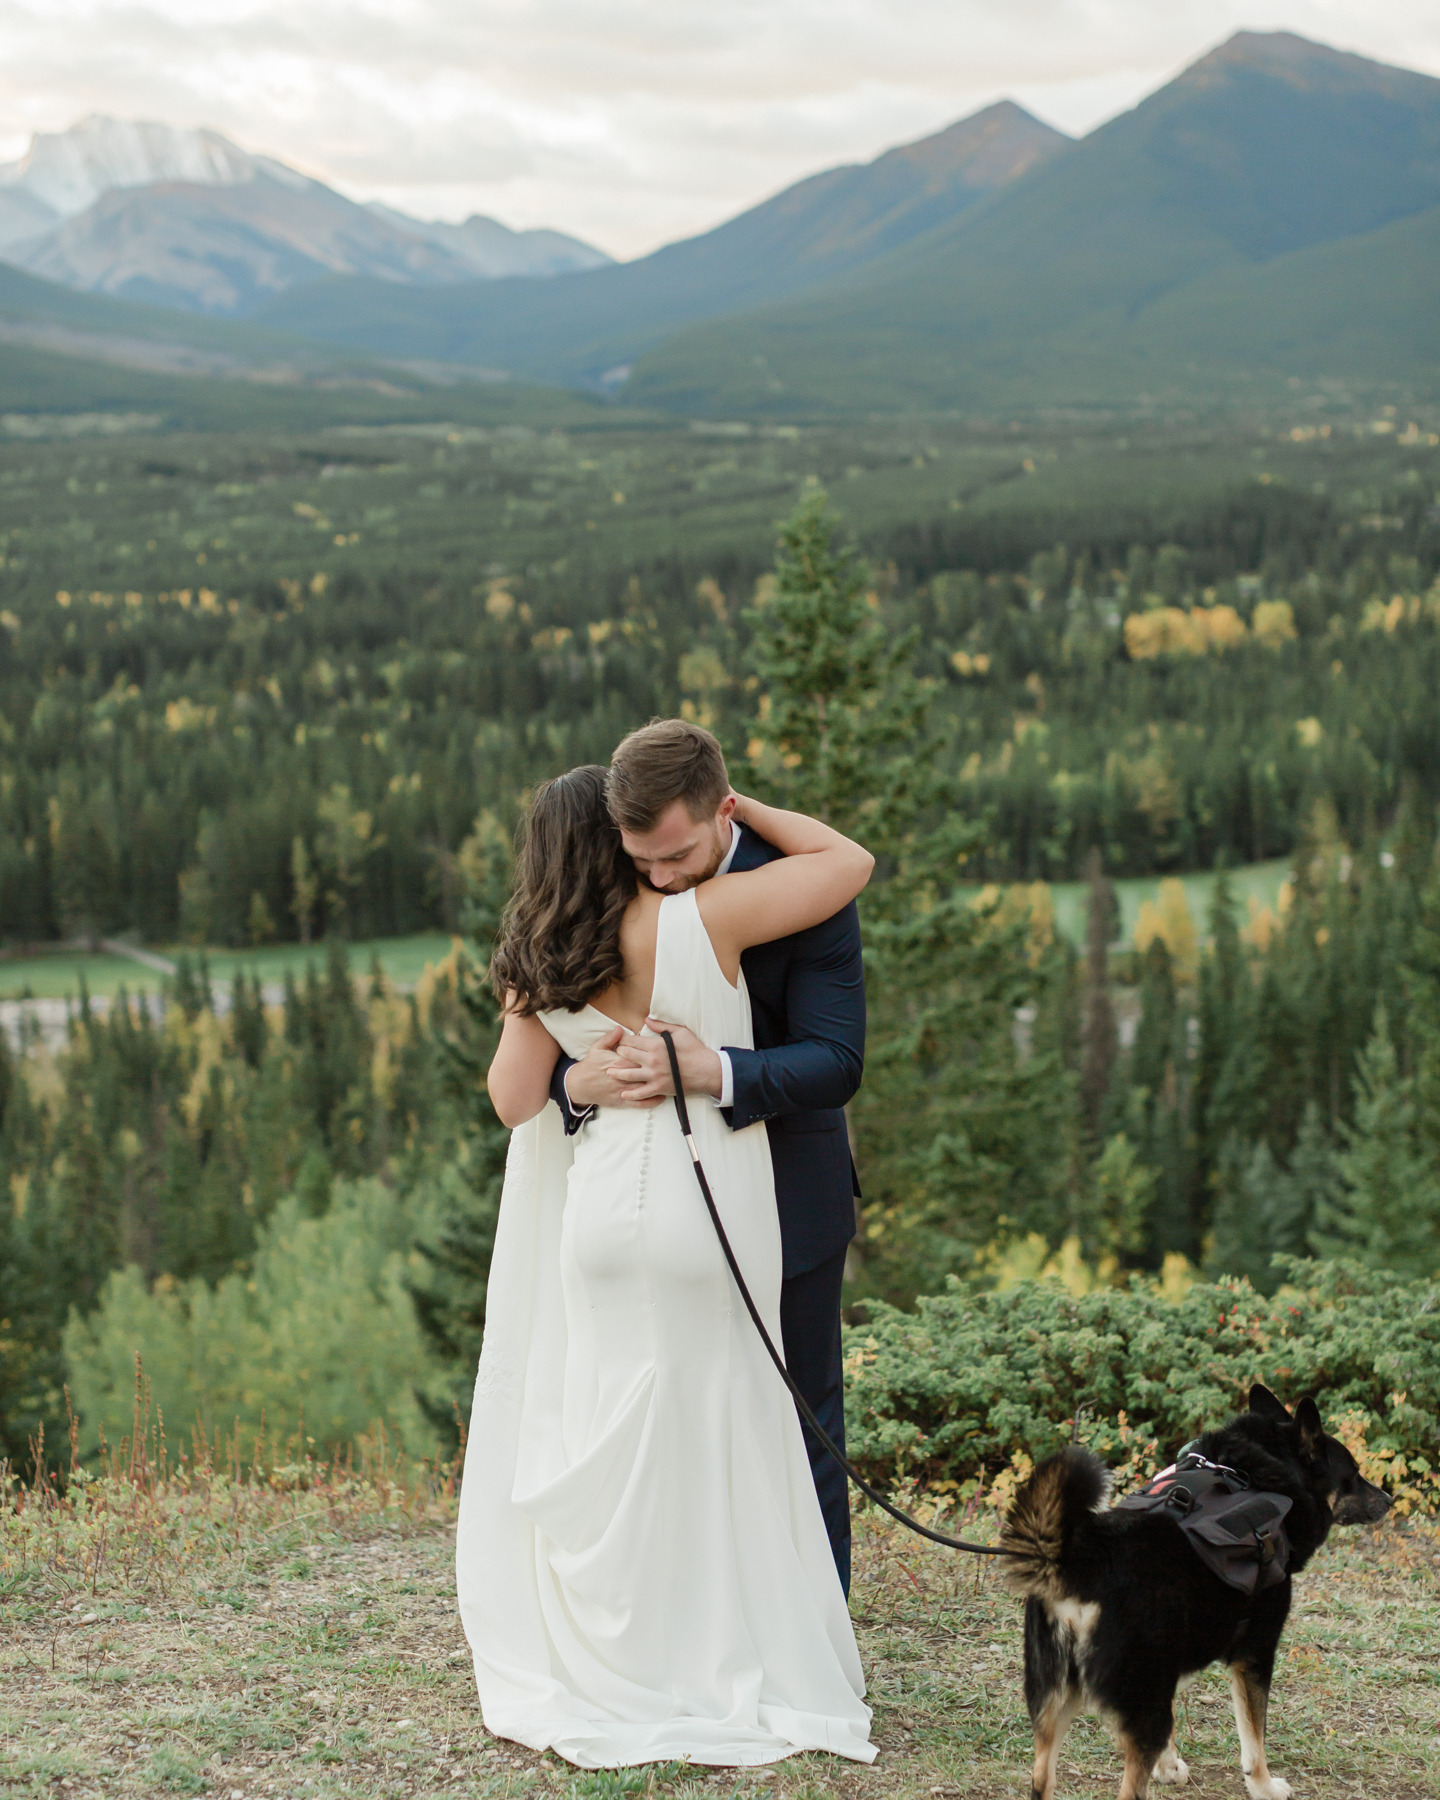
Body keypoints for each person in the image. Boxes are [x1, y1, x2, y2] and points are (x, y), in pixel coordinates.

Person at [456, 755, 875, 1769]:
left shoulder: (536, 951)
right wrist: (588, 1081)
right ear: (616, 844)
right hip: (710, 1206)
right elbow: (849, 858)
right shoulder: (700, 917)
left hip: (603, 1221)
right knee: (744, 1424)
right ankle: (765, 1649)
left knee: (627, 1427)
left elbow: (513, 1100)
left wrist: (580, 1081)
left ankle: (635, 1645)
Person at [550, 719, 867, 1592]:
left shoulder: (799, 883)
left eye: (679, 855)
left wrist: (713, 1069)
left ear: (723, 810)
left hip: (790, 1191)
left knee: (805, 1416)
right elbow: (552, 1042)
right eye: (640, 858)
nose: (659, 878)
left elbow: (838, 1060)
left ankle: (818, 1625)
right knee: (669, 1412)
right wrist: (579, 1087)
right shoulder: (615, 873)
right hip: (654, 1212)